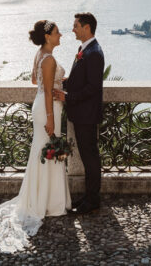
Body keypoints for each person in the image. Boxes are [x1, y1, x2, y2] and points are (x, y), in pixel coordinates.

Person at [0, 20, 71, 252]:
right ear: (48, 36)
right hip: (47, 108)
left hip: (39, 104)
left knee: (42, 152)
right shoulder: (48, 59)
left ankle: (41, 199)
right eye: (58, 32)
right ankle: (48, 203)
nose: (61, 35)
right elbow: (49, 90)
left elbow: (35, 80)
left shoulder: (39, 54)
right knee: (48, 153)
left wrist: (55, 81)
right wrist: (51, 117)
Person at [53, 12, 104, 214]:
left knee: (91, 158)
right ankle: (89, 197)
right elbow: (81, 80)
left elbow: (93, 87)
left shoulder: (94, 53)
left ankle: (93, 201)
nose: (72, 29)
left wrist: (68, 98)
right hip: (82, 114)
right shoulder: (85, 49)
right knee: (87, 157)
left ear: (87, 27)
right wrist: (65, 83)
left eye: (76, 25)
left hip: (87, 115)